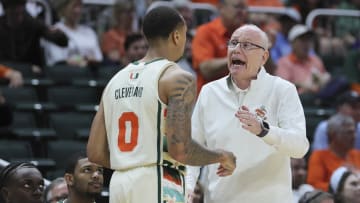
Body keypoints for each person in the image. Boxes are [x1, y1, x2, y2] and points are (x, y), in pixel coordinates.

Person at [87, 6, 236, 203]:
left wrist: (131, 163)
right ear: (176, 36)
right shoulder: (178, 78)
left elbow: (95, 153)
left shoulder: (115, 80)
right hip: (157, 180)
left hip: (120, 183)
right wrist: (222, 156)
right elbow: (181, 150)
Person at [186, 24, 309, 203]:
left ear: (264, 57)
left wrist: (264, 131)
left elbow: (300, 147)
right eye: (233, 43)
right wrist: (187, 188)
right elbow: (192, 150)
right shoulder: (209, 92)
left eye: (246, 45)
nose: (236, 49)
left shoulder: (282, 90)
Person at [191, 0, 248, 93]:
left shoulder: (251, 33)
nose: (242, 12)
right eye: (237, 7)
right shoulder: (205, 32)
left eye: (244, 8)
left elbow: (269, 71)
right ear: (221, 7)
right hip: (212, 98)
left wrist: (266, 49)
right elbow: (206, 70)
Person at [0, 0, 68, 69]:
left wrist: (58, 35)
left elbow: (62, 42)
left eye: (21, 12)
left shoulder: (33, 24)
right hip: (6, 71)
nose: (18, 17)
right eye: (14, 13)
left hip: (32, 71)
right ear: (6, 11)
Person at [307, 114, 360, 192]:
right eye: (349, 132)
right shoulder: (319, 156)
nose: (354, 136)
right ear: (333, 135)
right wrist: (344, 186)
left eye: (354, 132)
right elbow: (314, 185)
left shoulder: (357, 154)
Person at [275, 24, 330, 95]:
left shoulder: (316, 60)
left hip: (319, 98)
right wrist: (302, 84)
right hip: (297, 100)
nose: (306, 44)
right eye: (302, 40)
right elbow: (282, 87)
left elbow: (324, 79)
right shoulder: (284, 62)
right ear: (292, 43)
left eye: (308, 40)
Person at [44, 0, 103, 67]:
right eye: (74, 6)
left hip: (90, 75)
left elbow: (98, 58)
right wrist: (83, 59)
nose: (77, 10)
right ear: (64, 8)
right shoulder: (55, 31)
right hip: (65, 74)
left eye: (80, 6)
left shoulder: (90, 32)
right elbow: (58, 60)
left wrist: (86, 60)